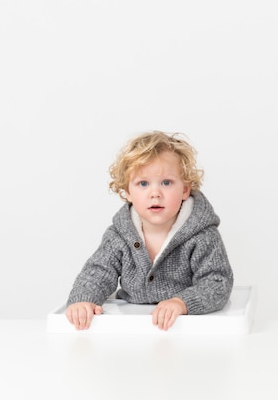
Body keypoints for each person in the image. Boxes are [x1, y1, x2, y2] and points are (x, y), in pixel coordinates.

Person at [65, 131, 234, 331]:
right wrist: (83, 300)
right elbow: (98, 272)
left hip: (185, 328)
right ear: (127, 192)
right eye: (143, 184)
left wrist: (182, 303)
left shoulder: (202, 236)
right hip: (131, 328)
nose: (155, 193)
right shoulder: (119, 236)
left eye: (166, 183)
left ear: (185, 190)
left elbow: (217, 282)